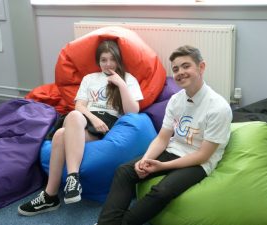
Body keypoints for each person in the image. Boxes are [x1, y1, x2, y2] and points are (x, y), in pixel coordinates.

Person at [95, 45, 232, 225]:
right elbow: (162, 138)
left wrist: (162, 166)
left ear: (201, 67)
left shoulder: (218, 107)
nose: (180, 72)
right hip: (174, 149)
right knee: (124, 171)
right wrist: (146, 159)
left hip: (198, 162)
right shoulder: (176, 100)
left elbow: (203, 155)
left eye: (186, 66)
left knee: (162, 191)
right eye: (175, 69)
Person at [18, 40, 144, 216]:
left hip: (108, 121)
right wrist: (93, 118)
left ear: (119, 60)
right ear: (98, 62)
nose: (108, 64)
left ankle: (51, 195)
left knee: (61, 135)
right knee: (74, 116)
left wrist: (120, 84)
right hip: (85, 117)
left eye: (112, 59)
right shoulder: (89, 78)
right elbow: (79, 106)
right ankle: (71, 180)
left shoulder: (128, 79)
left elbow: (133, 111)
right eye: (103, 60)